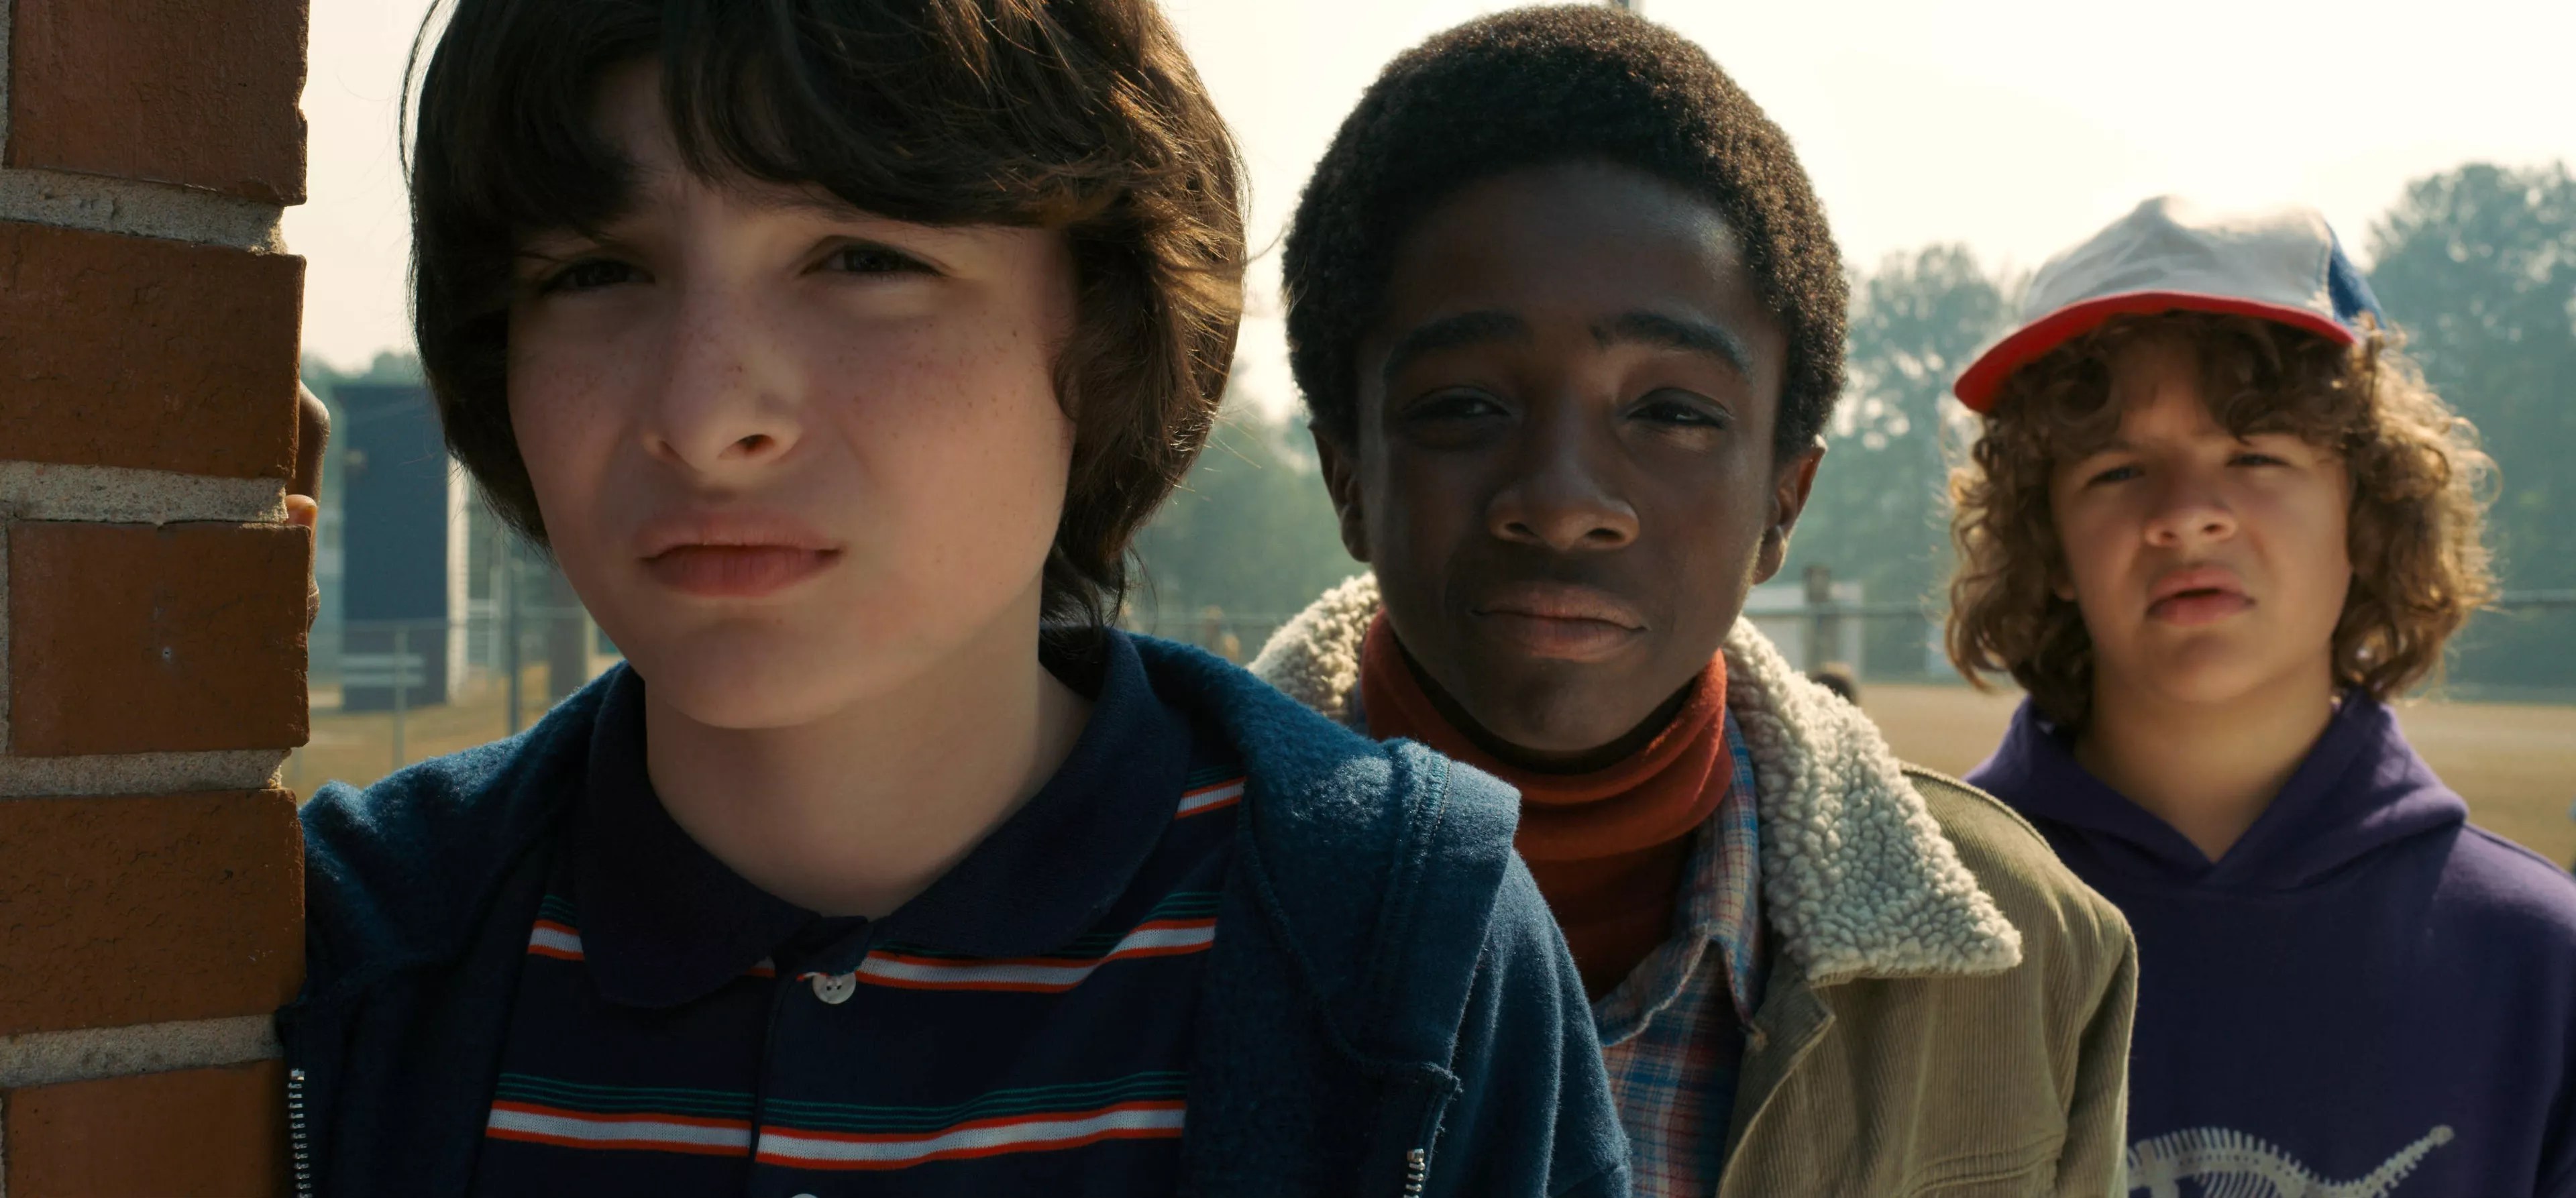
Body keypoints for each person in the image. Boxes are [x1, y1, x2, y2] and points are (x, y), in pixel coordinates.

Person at [275, 2, 1627, 1195]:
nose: (703, 414)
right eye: (595, 272)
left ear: (1105, 329)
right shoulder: (342, 955)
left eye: (863, 259)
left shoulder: (1400, 948)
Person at [1250, 8, 2136, 1193]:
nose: (1562, 501)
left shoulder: (2032, 960)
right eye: (1465, 405)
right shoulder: (1139, 920)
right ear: (1348, 476)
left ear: (1783, 501)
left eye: (1671, 412)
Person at [1948, 195, 2576, 1195]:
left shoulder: (2536, 961)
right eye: (2118, 469)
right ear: (2049, 538)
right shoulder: (1921, 923)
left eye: (2255, 454)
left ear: (2365, 509)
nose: (2187, 514)